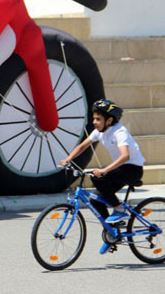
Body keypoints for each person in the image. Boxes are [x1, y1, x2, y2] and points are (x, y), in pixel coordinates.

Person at [60, 99, 144, 254]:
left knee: (98, 176)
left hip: (132, 169)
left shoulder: (120, 132)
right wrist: (68, 158)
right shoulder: (99, 131)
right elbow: (83, 146)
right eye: (94, 118)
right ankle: (112, 234)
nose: (94, 122)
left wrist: (105, 170)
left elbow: (125, 156)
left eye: (98, 119)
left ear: (109, 120)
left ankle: (118, 209)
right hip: (120, 170)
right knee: (94, 200)